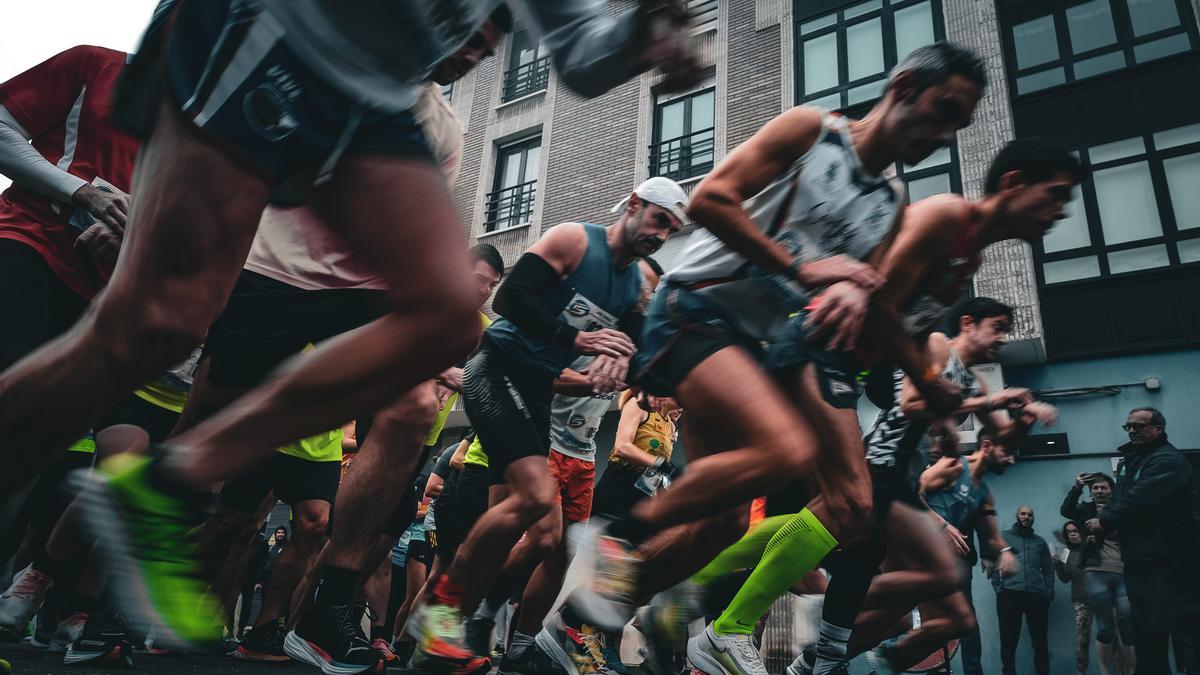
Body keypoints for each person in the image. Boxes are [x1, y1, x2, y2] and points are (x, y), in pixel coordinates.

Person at [2, 0, 702, 654]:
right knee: (156, 324)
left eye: (498, 31)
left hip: (370, 100)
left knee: (447, 314)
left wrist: (646, 32)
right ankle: (66, 559)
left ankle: (169, 478)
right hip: (276, 29)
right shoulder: (576, 243)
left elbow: (582, 52)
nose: (485, 43)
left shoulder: (445, 123)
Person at [567, 44, 987, 675]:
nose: (945, 131)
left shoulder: (890, 207)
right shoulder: (813, 133)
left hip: (751, 346)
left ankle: (582, 621)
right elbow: (710, 199)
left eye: (960, 123)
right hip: (692, 311)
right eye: (943, 109)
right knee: (785, 450)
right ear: (902, 85)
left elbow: (864, 301)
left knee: (726, 523)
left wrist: (924, 372)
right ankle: (616, 536)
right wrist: (801, 268)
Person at [704, 138, 1076, 675]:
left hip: (850, 383)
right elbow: (882, 315)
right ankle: (740, 618)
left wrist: (983, 419)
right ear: (1014, 182)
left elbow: (983, 439)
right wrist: (946, 391)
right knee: (859, 522)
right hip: (820, 357)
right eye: (1055, 194)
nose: (1061, 210)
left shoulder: (963, 261)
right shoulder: (947, 221)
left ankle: (818, 643)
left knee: (871, 548)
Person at [412, 177, 684, 672]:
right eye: (660, 220)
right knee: (536, 502)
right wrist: (577, 342)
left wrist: (629, 366)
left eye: (673, 229)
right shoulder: (574, 240)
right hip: (496, 369)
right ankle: (442, 617)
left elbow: (642, 357)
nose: (662, 235)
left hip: (532, 390)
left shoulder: (630, 288)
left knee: (522, 527)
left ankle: (447, 638)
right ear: (636, 205)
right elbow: (510, 300)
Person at [1089, 408, 1199, 675]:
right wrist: (1104, 522)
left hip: (1167, 556)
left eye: (1139, 426)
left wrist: (1105, 521)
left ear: (1158, 428)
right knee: (1148, 629)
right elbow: (1119, 498)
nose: (1133, 431)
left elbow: (1141, 497)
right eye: (1129, 426)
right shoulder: (1131, 461)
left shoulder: (1167, 460)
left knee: (1180, 628)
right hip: (1140, 557)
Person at [1062, 472, 1136, 673]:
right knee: (1105, 628)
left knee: (1127, 627)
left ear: (1112, 490)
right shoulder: (1085, 510)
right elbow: (1066, 510)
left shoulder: (1121, 510)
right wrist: (1077, 487)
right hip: (1096, 572)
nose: (1099, 491)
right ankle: (1105, 672)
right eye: (1095, 488)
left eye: (1103, 487)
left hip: (1122, 571)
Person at [991, 506, 1055, 675]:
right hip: (1010, 596)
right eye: (1023, 514)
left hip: (1036, 596)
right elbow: (993, 564)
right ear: (1017, 516)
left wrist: (1048, 592)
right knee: (1008, 641)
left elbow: (1048, 569)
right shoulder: (1004, 537)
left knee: (1040, 642)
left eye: (1030, 514)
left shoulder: (1039, 542)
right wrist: (1000, 589)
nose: (1026, 517)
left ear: (1033, 518)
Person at [1054, 521, 1093, 675]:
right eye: (1069, 532)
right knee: (1082, 640)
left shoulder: (1093, 548)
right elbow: (1065, 578)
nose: (1073, 534)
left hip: (1102, 597)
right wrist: (1057, 564)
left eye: (1076, 530)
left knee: (1111, 637)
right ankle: (1081, 672)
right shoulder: (1066, 554)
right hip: (1080, 600)